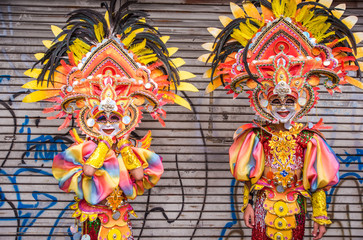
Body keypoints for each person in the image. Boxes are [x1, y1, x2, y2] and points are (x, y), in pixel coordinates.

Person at [22, 1, 196, 239]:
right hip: (93, 217)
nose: (108, 121)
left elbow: (138, 178)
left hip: (120, 218)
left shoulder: (130, 149)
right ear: (90, 118)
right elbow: (88, 171)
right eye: (102, 117)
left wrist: (124, 147)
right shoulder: (83, 148)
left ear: (125, 116)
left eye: (114, 117)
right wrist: (104, 145)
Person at [200, 1, 363, 239]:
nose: (284, 107)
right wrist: (247, 204)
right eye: (276, 101)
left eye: (289, 101)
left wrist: (320, 217)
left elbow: (317, 181)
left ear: (302, 100)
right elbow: (249, 174)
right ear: (264, 102)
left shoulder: (309, 139)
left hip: (295, 206)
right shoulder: (257, 136)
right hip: (262, 204)